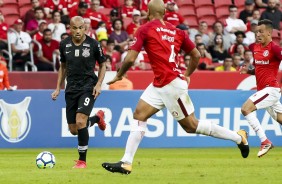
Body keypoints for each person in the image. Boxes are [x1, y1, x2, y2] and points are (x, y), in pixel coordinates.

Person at [102, 0, 249, 175]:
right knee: (139, 114)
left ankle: (239, 137)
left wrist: (119, 75)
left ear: (148, 13)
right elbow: (196, 54)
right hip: (160, 83)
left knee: (191, 126)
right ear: (164, 12)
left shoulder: (145, 28)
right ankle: (126, 162)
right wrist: (187, 74)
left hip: (170, 83)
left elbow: (131, 59)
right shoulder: (177, 31)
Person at [51, 16, 107, 168]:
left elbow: (103, 65)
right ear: (69, 28)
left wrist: (99, 84)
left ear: (85, 28)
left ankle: (82, 161)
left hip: (88, 87)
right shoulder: (64, 44)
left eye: (80, 27)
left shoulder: (94, 44)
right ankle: (97, 118)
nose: (77, 31)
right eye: (74, 28)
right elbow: (63, 66)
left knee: (81, 120)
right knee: (74, 129)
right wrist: (58, 87)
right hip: (71, 89)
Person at [239, 19, 282, 158]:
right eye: (257, 31)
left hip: (271, 89)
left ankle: (265, 141)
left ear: (269, 33)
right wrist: (249, 71)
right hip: (264, 90)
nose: (258, 34)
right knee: (281, 119)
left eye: (261, 31)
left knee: (246, 109)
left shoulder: (274, 48)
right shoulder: (256, 48)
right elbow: (259, 69)